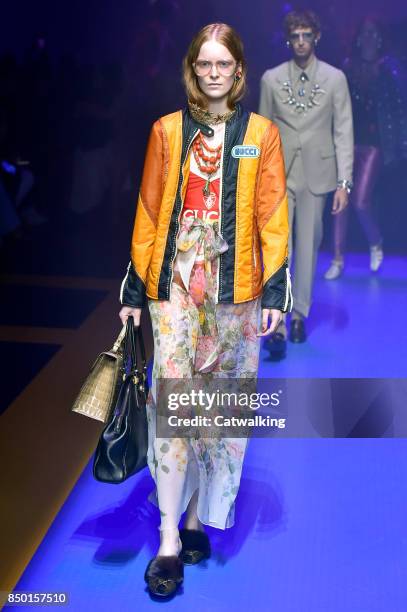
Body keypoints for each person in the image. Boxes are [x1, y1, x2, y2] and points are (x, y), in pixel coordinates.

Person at [118, 22, 292, 598]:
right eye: (204, 65)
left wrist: (274, 292)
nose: (213, 74)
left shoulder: (260, 135)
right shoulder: (167, 132)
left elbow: (271, 214)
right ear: (192, 71)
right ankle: (169, 538)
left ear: (239, 71)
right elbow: (147, 210)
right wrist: (132, 292)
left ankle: (194, 516)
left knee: (213, 414)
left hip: (235, 293)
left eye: (224, 65)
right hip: (172, 292)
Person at [259, 10, 353, 350]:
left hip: (318, 174)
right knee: (278, 250)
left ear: (316, 37)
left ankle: (300, 314)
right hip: (279, 175)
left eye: (306, 36)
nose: (301, 42)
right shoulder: (270, 79)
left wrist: (345, 182)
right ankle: (279, 320)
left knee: (308, 247)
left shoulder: (335, 78)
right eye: (295, 36)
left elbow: (343, 131)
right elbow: (263, 133)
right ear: (288, 40)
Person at [324, 16, 407, 280]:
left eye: (374, 33)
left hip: (373, 144)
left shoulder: (388, 69)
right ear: (358, 38)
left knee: (360, 201)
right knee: (340, 201)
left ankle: (376, 241)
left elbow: (398, 108)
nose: (370, 37)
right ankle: (337, 259)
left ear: (380, 38)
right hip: (345, 142)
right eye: (365, 33)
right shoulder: (346, 68)